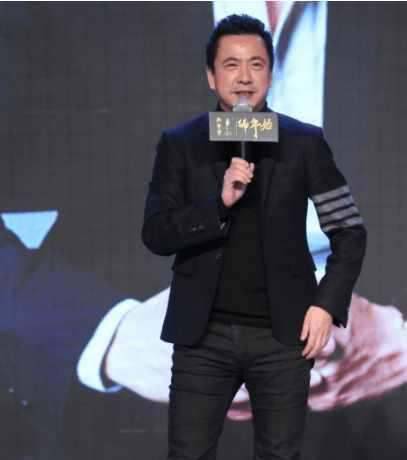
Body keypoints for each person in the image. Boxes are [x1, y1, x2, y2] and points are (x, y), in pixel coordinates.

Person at [141, 14, 366, 460]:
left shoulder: (303, 143)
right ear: (211, 76)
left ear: (270, 73)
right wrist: (219, 204)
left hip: (282, 338)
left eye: (256, 64)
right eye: (231, 64)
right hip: (202, 337)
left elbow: (349, 230)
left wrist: (326, 305)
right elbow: (157, 232)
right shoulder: (181, 143)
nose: (244, 77)